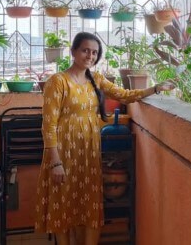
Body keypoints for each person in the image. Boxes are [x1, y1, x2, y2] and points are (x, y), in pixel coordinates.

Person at [36, 32, 176, 245]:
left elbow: (125, 95)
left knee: (88, 205)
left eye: (94, 52)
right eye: (85, 50)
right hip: (63, 154)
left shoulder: (97, 79)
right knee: (62, 206)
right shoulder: (58, 81)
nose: (90, 56)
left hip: (88, 154)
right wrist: (55, 162)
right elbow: (48, 125)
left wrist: (155, 88)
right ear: (73, 51)